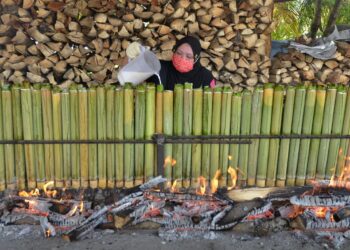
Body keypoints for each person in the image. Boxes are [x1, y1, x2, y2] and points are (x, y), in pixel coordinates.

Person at [148, 36, 216, 90]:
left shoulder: (206, 76)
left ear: (196, 59)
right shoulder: (161, 67)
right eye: (179, 53)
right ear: (174, 51)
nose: (183, 59)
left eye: (189, 56)